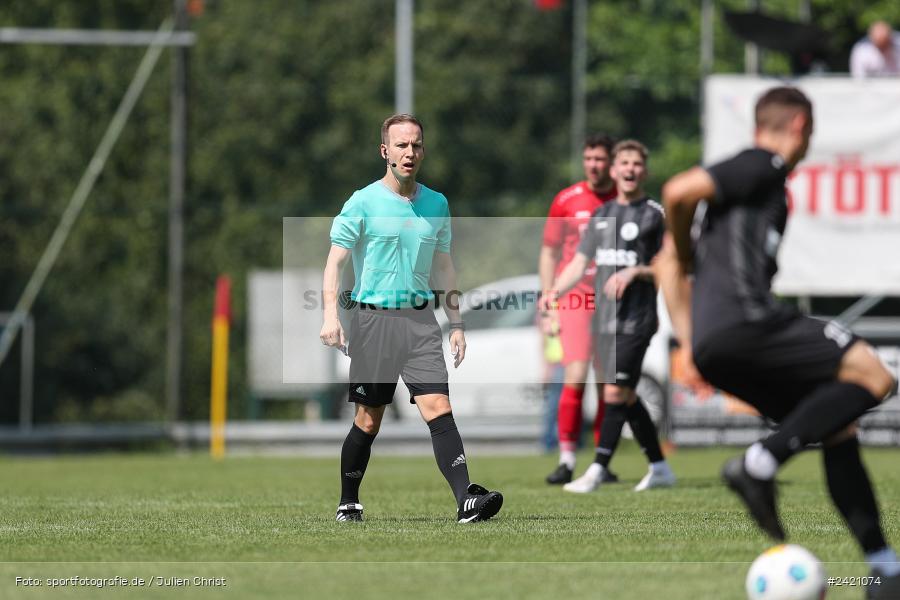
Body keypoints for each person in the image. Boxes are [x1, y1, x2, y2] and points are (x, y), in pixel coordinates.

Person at [657, 86, 900, 597]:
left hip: (720, 342)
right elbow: (678, 191)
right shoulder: (762, 164)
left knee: (837, 427)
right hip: (748, 322)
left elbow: (667, 268)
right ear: (799, 127)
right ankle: (758, 463)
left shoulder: (754, 195)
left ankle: (884, 568)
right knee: (875, 375)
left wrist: (691, 344)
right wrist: (683, 245)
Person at [320, 114, 503, 523]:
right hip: (373, 322)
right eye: (401, 145)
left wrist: (456, 323)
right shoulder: (362, 201)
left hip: (421, 322)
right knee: (369, 420)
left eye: (416, 145)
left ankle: (466, 500)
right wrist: (330, 316)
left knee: (438, 407)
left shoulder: (437, 203)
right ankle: (348, 501)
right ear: (385, 150)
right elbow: (335, 263)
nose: (410, 152)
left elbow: (445, 267)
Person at [548, 140, 676, 494]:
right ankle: (660, 466)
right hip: (602, 319)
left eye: (637, 164)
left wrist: (636, 272)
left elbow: (671, 265)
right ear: (615, 170)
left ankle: (596, 470)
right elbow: (577, 263)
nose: (630, 169)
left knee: (616, 393)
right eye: (625, 164)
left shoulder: (654, 213)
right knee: (626, 395)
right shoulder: (602, 216)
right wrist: (552, 293)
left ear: (644, 171)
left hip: (637, 320)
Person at [539, 134, 620, 485]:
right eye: (589, 158)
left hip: (613, 301)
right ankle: (567, 458)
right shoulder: (567, 200)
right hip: (575, 298)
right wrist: (548, 298)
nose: (594, 165)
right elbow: (549, 252)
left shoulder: (624, 199)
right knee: (575, 375)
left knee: (608, 383)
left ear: (611, 162)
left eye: (600, 159)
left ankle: (601, 462)